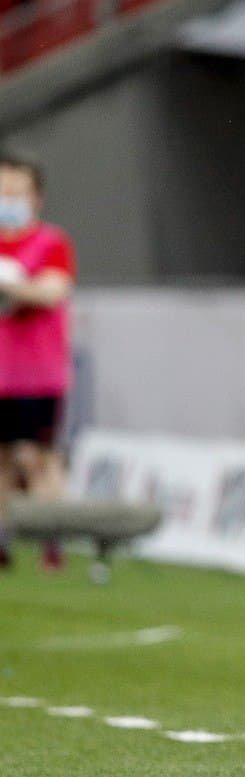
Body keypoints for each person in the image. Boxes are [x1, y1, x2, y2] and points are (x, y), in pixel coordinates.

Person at [0, 154, 76, 572]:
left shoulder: (50, 243)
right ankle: (2, 544)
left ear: (36, 198)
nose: (8, 200)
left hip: (38, 375)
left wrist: (15, 285)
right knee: (2, 461)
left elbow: (53, 291)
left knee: (40, 457)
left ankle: (53, 543)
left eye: (16, 192)